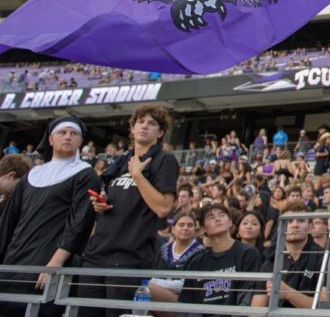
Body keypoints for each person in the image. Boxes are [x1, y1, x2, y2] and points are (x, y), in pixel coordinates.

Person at [80, 104, 179, 317]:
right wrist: (101, 203)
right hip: (96, 255)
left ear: (160, 132)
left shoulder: (164, 160)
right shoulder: (119, 162)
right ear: (132, 129)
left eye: (152, 124)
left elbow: (163, 208)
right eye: (140, 122)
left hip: (129, 257)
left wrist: (137, 176)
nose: (145, 126)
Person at [0, 115, 101, 317]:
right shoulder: (32, 174)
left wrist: (55, 263)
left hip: (48, 265)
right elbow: (8, 222)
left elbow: (79, 223)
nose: (68, 137)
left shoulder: (85, 174)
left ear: (80, 142)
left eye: (74, 134)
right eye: (62, 133)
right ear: (50, 139)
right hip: (14, 262)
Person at [178, 203, 267, 311]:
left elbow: (247, 299)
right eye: (211, 217)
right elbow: (187, 304)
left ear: (230, 222)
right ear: (202, 229)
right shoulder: (196, 262)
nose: (217, 219)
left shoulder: (248, 253)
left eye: (222, 215)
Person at [148, 209, 205, 310]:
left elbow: (187, 285)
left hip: (187, 302)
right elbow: (154, 274)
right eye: (181, 225)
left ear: (195, 230)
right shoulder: (163, 249)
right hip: (160, 300)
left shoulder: (201, 253)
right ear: (173, 229)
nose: (185, 228)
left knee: (150, 289)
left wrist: (156, 283)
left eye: (190, 225)